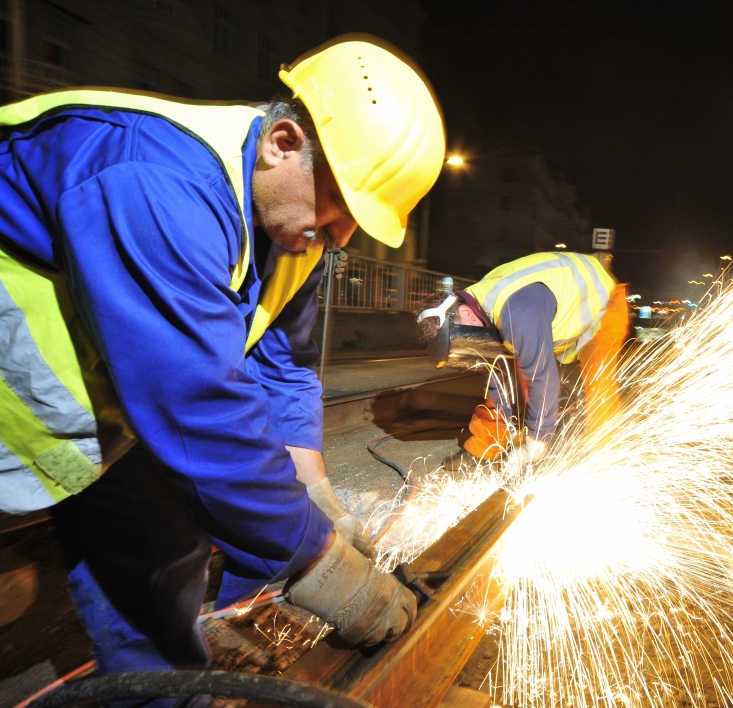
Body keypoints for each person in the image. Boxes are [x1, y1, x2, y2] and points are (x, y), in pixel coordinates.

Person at [0, 35, 445, 686]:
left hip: (99, 390)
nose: (343, 235)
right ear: (283, 143)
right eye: (341, 208)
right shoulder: (157, 185)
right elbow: (196, 407)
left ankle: (166, 692)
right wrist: (317, 559)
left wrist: (314, 492)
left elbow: (284, 364)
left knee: (165, 545)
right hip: (21, 381)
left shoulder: (291, 223)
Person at [415, 251, 629, 468]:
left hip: (604, 303)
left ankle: (605, 458)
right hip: (548, 312)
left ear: (466, 313)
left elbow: (542, 377)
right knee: (501, 375)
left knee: (599, 383)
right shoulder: (479, 305)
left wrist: (536, 442)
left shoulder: (515, 311)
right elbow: (499, 383)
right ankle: (484, 447)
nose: (469, 355)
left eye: (461, 345)